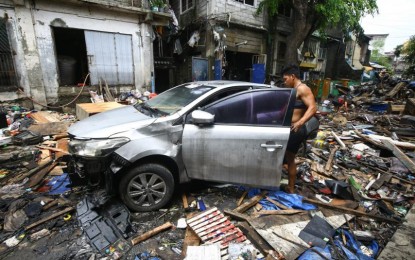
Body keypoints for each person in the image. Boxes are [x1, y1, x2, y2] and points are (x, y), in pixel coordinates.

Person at [281, 65, 317, 193]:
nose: (284, 82)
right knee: (283, 158)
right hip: (288, 128)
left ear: (293, 76)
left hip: (295, 130)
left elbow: (313, 108)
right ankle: (281, 181)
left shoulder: (303, 88)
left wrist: (300, 122)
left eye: (285, 79)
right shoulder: (294, 89)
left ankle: (290, 188)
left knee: (290, 159)